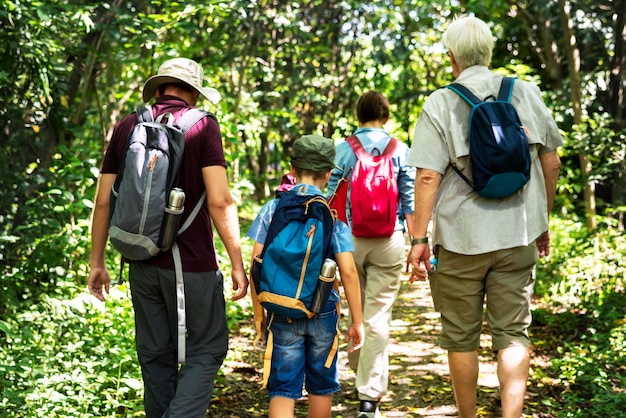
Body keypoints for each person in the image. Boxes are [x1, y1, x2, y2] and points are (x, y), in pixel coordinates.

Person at [406, 16, 562, 418]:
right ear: (488, 52)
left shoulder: (440, 101)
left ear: (452, 57)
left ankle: (468, 416)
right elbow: (551, 161)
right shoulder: (524, 92)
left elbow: (426, 176)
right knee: (512, 334)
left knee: (461, 338)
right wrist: (542, 221)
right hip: (517, 234)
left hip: (461, 241)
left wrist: (419, 240)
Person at [87, 57, 249, 418]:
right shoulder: (203, 126)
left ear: (159, 87)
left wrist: (97, 263)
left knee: (156, 355)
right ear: (193, 92)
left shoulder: (128, 125)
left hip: (140, 259)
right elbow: (220, 201)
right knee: (206, 349)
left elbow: (102, 202)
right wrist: (237, 263)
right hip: (192, 265)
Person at [246, 134, 365, 418]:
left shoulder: (273, 208)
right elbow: (347, 270)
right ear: (328, 174)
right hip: (322, 310)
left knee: (283, 389)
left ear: (292, 167)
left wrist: (259, 314)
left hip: (281, 307)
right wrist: (357, 321)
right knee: (320, 387)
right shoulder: (332, 214)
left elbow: (256, 264)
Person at [327, 91, 416, 418]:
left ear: (358, 113)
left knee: (356, 307)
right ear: (386, 114)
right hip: (389, 238)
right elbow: (409, 200)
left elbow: (328, 194)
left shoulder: (343, 149)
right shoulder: (401, 150)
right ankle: (369, 397)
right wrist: (419, 241)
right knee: (378, 317)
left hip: (349, 239)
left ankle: (357, 369)